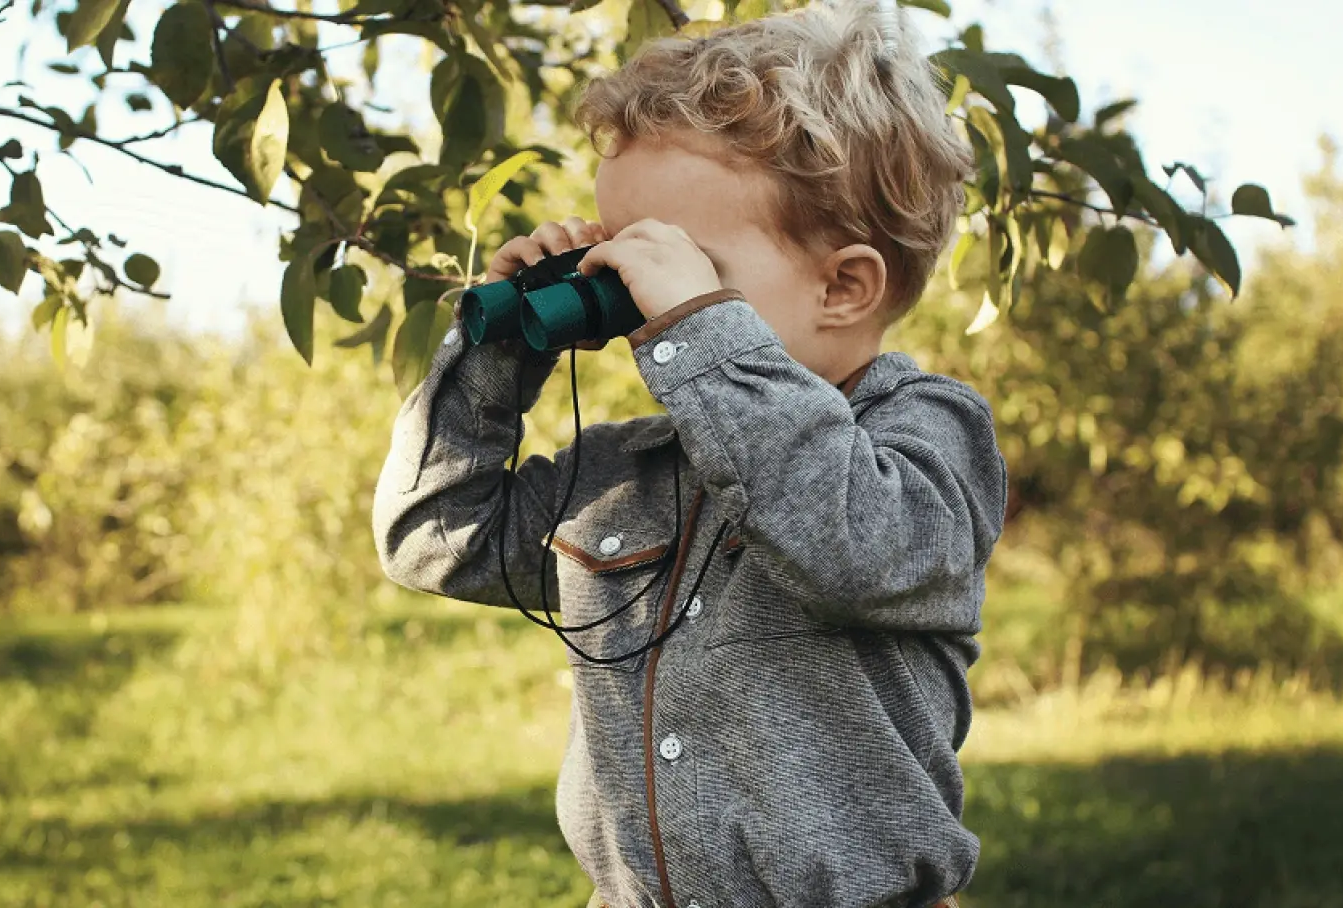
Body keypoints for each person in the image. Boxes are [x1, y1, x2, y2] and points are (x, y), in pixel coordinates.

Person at [371, 0, 1006, 904]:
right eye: (622, 252)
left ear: (845, 285)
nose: (635, 295)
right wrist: (500, 354)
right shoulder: (620, 473)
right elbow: (434, 537)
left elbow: (849, 546)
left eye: (680, 262)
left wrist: (700, 332)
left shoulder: (927, 433)